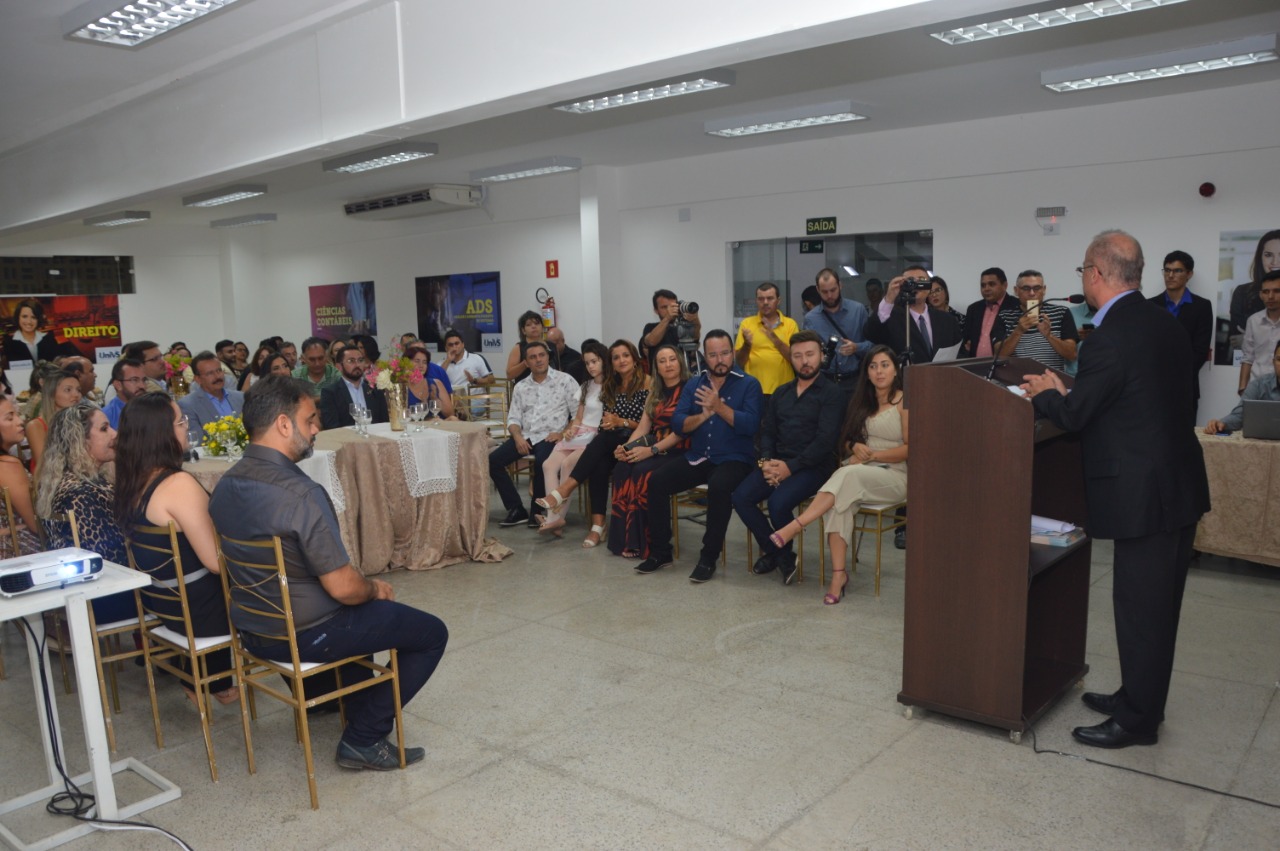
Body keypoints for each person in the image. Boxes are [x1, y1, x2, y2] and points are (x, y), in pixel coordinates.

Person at [1021, 230, 1209, 750]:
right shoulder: (1159, 322)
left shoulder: (1108, 334)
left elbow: (1079, 416)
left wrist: (1044, 394)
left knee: (1140, 610)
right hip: (1177, 486)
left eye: (1082, 269)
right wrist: (1072, 390)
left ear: (1098, 275)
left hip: (1144, 495)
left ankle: (1138, 722)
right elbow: (1131, 396)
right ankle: (1138, 697)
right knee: (1157, 609)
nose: (1080, 279)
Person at [209, 376, 449, 771]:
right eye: (310, 419)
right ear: (284, 425)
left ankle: (335, 695)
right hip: (304, 634)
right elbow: (343, 587)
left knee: (370, 619)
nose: (316, 427)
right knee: (428, 632)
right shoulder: (300, 492)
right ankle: (363, 738)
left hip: (254, 630)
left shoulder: (226, 484)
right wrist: (374, 587)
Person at [113, 392, 239, 706]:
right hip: (201, 613)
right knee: (287, 585)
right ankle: (315, 687)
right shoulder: (177, 485)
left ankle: (210, 678)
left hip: (164, 604)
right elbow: (216, 562)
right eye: (181, 422)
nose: (187, 429)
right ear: (162, 434)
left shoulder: (132, 481)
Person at [770, 344, 908, 604]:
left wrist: (872, 455)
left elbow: (911, 449)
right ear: (866, 372)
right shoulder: (861, 402)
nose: (879, 372)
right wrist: (854, 446)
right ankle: (838, 574)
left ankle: (797, 525)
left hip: (895, 476)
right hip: (861, 472)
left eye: (885, 365)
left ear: (895, 369)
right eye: (873, 366)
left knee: (848, 474)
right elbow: (844, 441)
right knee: (839, 505)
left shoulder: (905, 402)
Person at [636, 330, 762, 583]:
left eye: (725, 353)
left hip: (735, 458)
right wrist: (703, 416)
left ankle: (708, 557)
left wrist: (719, 407)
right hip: (699, 456)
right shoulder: (695, 383)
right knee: (657, 481)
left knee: (719, 487)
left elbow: (751, 426)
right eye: (713, 355)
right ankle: (661, 552)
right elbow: (679, 423)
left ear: (733, 353)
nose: (720, 360)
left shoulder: (749, 384)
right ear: (705, 357)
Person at [732, 330, 843, 585]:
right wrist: (767, 463)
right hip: (777, 463)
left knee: (778, 503)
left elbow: (825, 441)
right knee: (740, 497)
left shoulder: (832, 393)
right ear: (790, 359)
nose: (805, 361)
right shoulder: (781, 393)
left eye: (810, 354)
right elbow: (767, 432)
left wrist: (789, 468)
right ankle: (780, 553)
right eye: (798, 356)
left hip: (814, 466)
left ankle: (777, 554)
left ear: (821, 356)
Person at [534, 340, 648, 542]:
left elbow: (646, 424)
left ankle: (563, 492)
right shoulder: (611, 385)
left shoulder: (646, 383)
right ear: (611, 362)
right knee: (597, 464)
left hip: (631, 439)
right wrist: (571, 430)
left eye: (625, 356)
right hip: (608, 439)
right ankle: (597, 525)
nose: (621, 361)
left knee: (597, 444)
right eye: (616, 357)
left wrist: (619, 422)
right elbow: (588, 418)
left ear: (634, 358)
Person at [35, 402, 135, 623]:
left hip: (87, 594)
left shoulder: (65, 481)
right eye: (104, 428)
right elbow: (109, 559)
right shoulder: (82, 493)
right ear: (79, 441)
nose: (114, 434)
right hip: (104, 599)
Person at [607, 344, 691, 558]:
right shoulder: (655, 392)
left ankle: (648, 542)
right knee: (621, 467)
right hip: (656, 446)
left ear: (680, 362)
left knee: (641, 472)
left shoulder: (690, 388)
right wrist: (625, 449)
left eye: (672, 359)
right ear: (656, 367)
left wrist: (650, 451)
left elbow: (681, 432)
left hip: (680, 448)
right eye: (662, 361)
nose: (668, 364)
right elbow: (644, 428)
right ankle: (627, 540)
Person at [489, 341, 578, 528]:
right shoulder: (521, 387)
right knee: (493, 460)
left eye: (541, 355)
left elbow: (578, 413)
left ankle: (537, 512)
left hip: (551, 435)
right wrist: (518, 437)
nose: (538, 360)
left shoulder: (565, 380)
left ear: (548, 356)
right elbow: (513, 419)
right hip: (526, 435)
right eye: (532, 357)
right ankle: (516, 509)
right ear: (526, 363)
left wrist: (562, 433)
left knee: (542, 462)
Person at [537, 341, 607, 540]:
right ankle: (554, 520)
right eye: (587, 363)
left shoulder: (612, 386)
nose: (591, 366)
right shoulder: (586, 386)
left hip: (595, 436)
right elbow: (578, 417)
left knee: (568, 464)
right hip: (579, 433)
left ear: (604, 360)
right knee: (548, 465)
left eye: (595, 361)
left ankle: (554, 519)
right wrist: (570, 431)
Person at [1149, 250, 1212, 419]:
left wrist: (1174, 375)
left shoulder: (1202, 306)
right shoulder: (1150, 305)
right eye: (1167, 270)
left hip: (1185, 387)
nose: (1170, 275)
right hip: (1152, 387)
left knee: (1184, 441)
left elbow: (1200, 351)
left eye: (1177, 271)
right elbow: (1145, 347)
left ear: (1189, 274)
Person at [865, 265, 963, 364]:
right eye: (910, 280)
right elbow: (871, 334)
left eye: (922, 280)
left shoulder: (948, 321)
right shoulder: (892, 318)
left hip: (941, 376)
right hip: (905, 376)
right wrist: (889, 299)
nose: (916, 284)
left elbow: (959, 353)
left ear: (929, 287)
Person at [803, 267, 868, 409]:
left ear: (840, 285)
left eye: (833, 290)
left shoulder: (858, 310)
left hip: (854, 381)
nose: (830, 296)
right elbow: (806, 352)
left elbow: (874, 345)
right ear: (818, 290)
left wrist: (857, 347)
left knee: (854, 426)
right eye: (825, 292)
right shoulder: (811, 318)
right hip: (825, 381)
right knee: (828, 427)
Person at [996, 270, 1079, 371]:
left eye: (1037, 288)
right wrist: (1018, 331)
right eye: (1026, 288)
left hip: (1052, 381)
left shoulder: (1061, 312)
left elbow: (1072, 354)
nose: (1032, 293)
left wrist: (1049, 336)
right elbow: (998, 355)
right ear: (1016, 290)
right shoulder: (1004, 316)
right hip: (1016, 382)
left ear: (1044, 289)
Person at [735, 282, 798, 397]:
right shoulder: (746, 324)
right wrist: (747, 345)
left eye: (770, 298)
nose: (765, 302)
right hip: (754, 390)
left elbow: (795, 359)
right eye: (761, 299)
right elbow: (739, 362)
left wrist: (774, 337)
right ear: (756, 301)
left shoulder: (790, 324)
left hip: (784, 390)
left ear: (778, 301)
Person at [1206, 341, 1280, 434]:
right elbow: (1239, 416)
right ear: (1273, 362)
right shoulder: (1259, 385)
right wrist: (1221, 423)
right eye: (1279, 359)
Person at [0, 397, 41, 557]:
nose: (20, 421)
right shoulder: (7, 465)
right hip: (16, 550)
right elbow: (34, 523)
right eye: (10, 418)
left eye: (17, 415)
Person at [1227, 229, 1280, 346]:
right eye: (1268, 255)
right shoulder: (1242, 292)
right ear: (1260, 257)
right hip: (1250, 362)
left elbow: (1244, 339)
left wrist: (1250, 339)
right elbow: (1235, 338)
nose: (1275, 261)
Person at [320, 344, 389, 429]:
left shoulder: (375, 389)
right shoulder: (330, 393)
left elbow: (385, 422)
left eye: (360, 360)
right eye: (351, 361)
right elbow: (332, 427)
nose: (357, 365)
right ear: (339, 367)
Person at [27, 368, 82, 472]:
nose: (76, 395)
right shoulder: (36, 426)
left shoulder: (81, 421)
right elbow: (45, 466)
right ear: (51, 393)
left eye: (78, 390)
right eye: (68, 390)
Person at [179, 351, 245, 432]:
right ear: (198, 379)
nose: (217, 376)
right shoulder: (188, 405)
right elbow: (196, 438)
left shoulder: (241, 398)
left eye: (219, 370)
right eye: (210, 373)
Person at [1237, 271, 1280, 394]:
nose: (1270, 296)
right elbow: (1248, 358)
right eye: (1266, 292)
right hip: (1257, 387)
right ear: (1261, 295)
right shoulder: (1253, 321)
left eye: (1277, 291)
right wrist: (1242, 387)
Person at [961, 267, 1019, 358]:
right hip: (976, 366)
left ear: (1005, 285)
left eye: (991, 284)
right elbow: (966, 340)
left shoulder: (1016, 306)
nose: (986, 289)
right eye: (983, 285)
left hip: (1006, 366)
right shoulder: (973, 309)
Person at [640, 289, 702, 366]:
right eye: (664, 307)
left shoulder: (683, 326)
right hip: (659, 376)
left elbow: (695, 338)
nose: (669, 310)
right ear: (656, 310)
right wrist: (667, 318)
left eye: (673, 306)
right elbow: (651, 341)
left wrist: (695, 319)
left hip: (684, 375)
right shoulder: (650, 327)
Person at [3, 298, 68, 365]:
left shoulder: (49, 339)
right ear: (18, 317)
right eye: (24, 316)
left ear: (39, 319)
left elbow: (55, 364)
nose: (29, 321)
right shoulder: (9, 342)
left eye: (33, 317)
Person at [404, 343, 455, 419]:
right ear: (407, 363)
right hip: (413, 427)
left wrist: (435, 399)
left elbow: (450, 414)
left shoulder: (436, 383)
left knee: (453, 419)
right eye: (417, 361)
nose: (421, 365)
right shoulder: (401, 386)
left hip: (438, 425)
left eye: (424, 362)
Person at [506, 311, 550, 384]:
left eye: (537, 323)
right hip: (526, 388)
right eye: (529, 325)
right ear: (523, 330)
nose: (533, 326)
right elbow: (509, 375)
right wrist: (526, 363)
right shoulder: (519, 347)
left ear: (542, 327)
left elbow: (558, 368)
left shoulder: (551, 346)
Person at [103, 357, 146, 428]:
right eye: (134, 380)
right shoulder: (107, 416)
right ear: (118, 385)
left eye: (144, 380)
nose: (142, 386)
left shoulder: (153, 409)